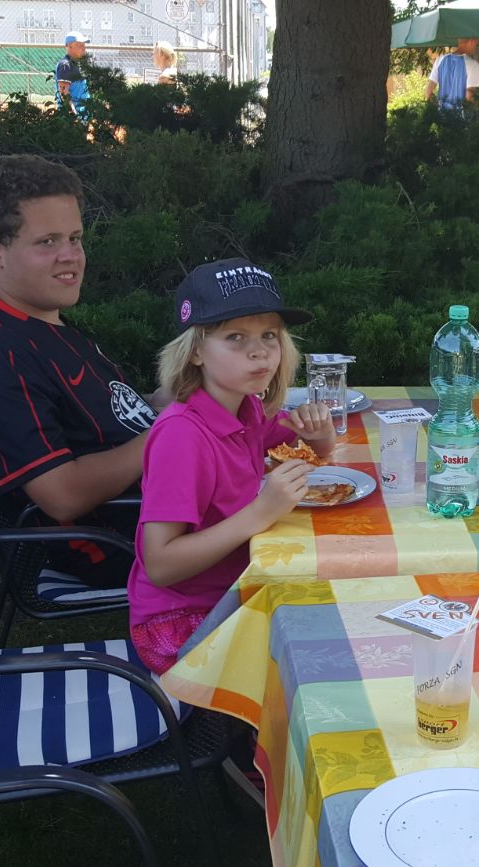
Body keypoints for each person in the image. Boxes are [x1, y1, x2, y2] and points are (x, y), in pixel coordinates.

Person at [0, 154, 157, 587]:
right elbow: (63, 496)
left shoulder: (42, 319)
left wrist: (190, 395)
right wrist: (172, 431)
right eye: (47, 242)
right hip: (124, 542)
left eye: (75, 238)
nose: (70, 257)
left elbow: (113, 415)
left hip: (167, 499)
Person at [127, 258, 335, 674]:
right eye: (235, 337)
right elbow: (161, 564)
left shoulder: (245, 408)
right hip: (179, 624)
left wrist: (319, 431)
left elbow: (314, 450)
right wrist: (260, 513)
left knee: (339, 609)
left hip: (237, 588)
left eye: (269, 335)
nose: (259, 351)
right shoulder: (182, 436)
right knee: (323, 651)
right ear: (196, 351)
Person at [425, 37, 479, 110]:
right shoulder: (473, 64)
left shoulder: (440, 59)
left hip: (441, 114)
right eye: (476, 42)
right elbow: (469, 95)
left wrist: (438, 107)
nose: (476, 45)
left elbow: (428, 92)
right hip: (460, 115)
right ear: (471, 41)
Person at [56, 32, 90, 120]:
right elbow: (63, 94)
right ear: (70, 46)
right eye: (80, 45)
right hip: (72, 118)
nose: (84, 48)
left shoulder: (78, 64)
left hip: (82, 113)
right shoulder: (65, 65)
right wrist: (74, 117)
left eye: (84, 45)